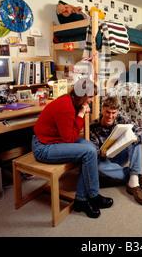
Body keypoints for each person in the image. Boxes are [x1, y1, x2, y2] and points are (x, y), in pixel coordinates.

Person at [32, 78, 113, 218]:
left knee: (90, 147)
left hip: (54, 140)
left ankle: (81, 199)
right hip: (44, 147)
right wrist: (81, 114)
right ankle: (92, 195)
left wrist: (80, 112)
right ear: (82, 96)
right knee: (88, 152)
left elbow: (69, 134)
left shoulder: (71, 101)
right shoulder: (66, 106)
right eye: (90, 96)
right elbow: (70, 139)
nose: (93, 100)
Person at [90, 96, 142, 205]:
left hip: (119, 156)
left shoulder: (121, 119)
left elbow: (141, 131)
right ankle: (135, 175)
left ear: (117, 112)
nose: (110, 116)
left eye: (113, 113)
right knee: (98, 166)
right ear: (102, 109)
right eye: (108, 112)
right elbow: (91, 151)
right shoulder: (93, 127)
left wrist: (134, 138)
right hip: (105, 162)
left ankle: (133, 183)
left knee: (134, 139)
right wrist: (100, 152)